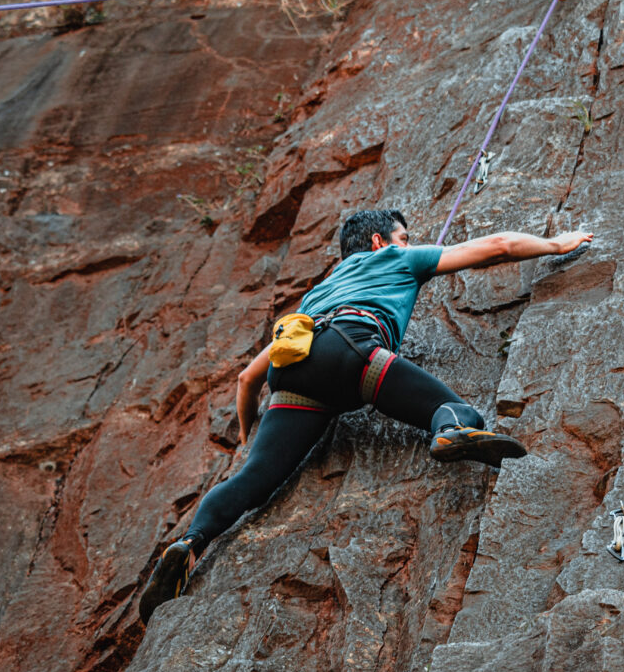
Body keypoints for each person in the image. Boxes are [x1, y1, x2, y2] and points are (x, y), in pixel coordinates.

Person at [139, 209, 593, 623]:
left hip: (294, 370)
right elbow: (496, 248)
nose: (408, 242)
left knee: (253, 480)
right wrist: (557, 244)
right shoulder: (396, 259)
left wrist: (245, 435)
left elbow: (246, 380)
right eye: (403, 236)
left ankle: (191, 543)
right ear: (379, 241)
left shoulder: (316, 294)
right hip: (351, 351)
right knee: (454, 408)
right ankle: (451, 432)